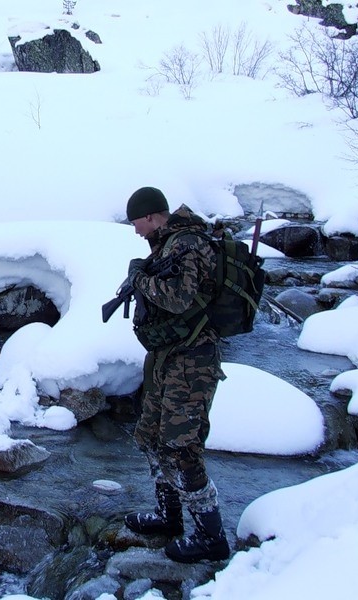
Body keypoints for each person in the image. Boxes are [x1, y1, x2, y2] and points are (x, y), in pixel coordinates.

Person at [121, 186, 230, 563]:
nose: (136, 231)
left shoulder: (188, 244)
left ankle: (210, 536)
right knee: (150, 436)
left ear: (151, 216)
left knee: (182, 446)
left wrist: (140, 280)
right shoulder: (167, 244)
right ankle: (170, 516)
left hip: (193, 361)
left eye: (137, 223)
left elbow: (179, 299)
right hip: (169, 357)